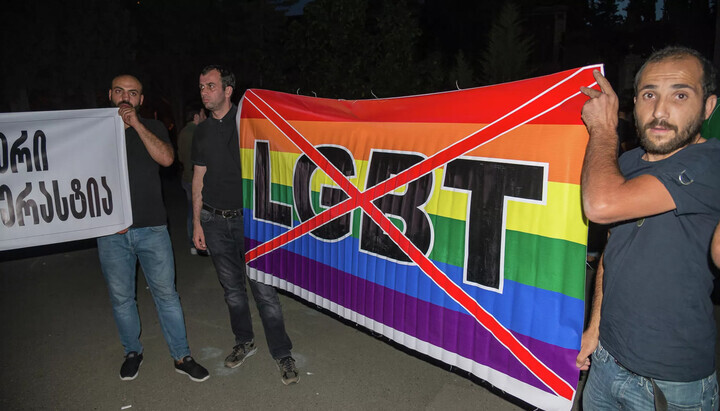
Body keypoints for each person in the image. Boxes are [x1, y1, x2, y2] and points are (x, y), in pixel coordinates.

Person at [576, 46, 720, 409]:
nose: (659, 111)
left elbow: (601, 205)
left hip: (672, 382)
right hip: (607, 361)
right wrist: (594, 330)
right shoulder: (624, 162)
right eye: (649, 94)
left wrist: (604, 129)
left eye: (680, 95)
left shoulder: (711, 163)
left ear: (708, 107)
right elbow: (613, 253)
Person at [191, 65, 299, 385]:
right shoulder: (201, 131)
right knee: (233, 293)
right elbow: (198, 179)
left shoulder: (252, 123)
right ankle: (245, 342)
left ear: (227, 90)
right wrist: (197, 223)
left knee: (264, 291)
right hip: (213, 220)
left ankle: (282, 353)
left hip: (250, 222)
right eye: (201, 86)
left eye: (210, 86)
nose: (204, 91)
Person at [98, 74, 209, 382]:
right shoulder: (94, 132)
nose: (125, 97)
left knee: (167, 295)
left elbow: (167, 158)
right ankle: (132, 351)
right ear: (109, 93)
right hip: (111, 232)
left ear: (141, 100)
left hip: (152, 228)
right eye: (119, 91)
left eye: (133, 93)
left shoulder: (153, 127)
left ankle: (181, 355)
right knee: (121, 298)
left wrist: (137, 125)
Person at [176, 104, 206, 255]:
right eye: (202, 114)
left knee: (191, 211)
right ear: (196, 117)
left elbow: (180, 157)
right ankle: (203, 242)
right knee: (202, 212)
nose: (205, 117)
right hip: (198, 179)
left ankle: (192, 243)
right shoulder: (199, 132)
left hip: (186, 178)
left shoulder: (181, 133)